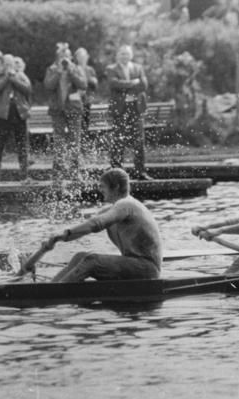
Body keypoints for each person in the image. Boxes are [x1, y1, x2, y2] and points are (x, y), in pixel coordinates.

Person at [41, 168, 162, 282]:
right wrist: (58, 238)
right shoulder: (115, 209)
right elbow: (85, 228)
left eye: (103, 186)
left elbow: (96, 224)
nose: (100, 190)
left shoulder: (127, 205)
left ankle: (54, 293)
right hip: (134, 264)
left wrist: (66, 232)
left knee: (92, 261)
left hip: (147, 269)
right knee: (80, 257)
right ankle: (51, 287)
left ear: (116, 187)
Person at [43, 42, 88, 181]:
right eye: (62, 56)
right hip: (57, 110)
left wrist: (71, 71)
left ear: (71, 57)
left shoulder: (76, 68)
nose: (64, 59)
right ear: (57, 57)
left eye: (67, 56)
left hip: (73, 108)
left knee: (75, 140)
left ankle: (75, 171)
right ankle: (58, 171)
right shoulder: (52, 69)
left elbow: (83, 84)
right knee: (59, 141)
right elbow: (48, 86)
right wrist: (58, 72)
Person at [106, 44, 151, 179]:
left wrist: (126, 85)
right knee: (118, 141)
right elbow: (114, 84)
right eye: (122, 54)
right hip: (120, 110)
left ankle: (140, 172)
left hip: (135, 109)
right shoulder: (111, 69)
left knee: (139, 141)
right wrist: (132, 83)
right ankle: (117, 172)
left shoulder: (138, 68)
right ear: (117, 55)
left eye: (127, 54)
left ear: (131, 55)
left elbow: (144, 85)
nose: (124, 56)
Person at [0, 53, 33, 186]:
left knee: (22, 145)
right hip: (2, 115)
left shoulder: (20, 75)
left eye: (11, 64)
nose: (9, 66)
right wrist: (6, 78)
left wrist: (13, 79)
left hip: (19, 113)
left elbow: (28, 90)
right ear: (2, 65)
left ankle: (24, 176)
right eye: (6, 64)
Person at [75, 47, 99, 137]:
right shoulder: (74, 69)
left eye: (83, 56)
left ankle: (84, 147)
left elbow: (95, 86)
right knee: (76, 126)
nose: (82, 58)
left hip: (87, 102)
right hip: (76, 101)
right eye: (79, 56)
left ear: (87, 57)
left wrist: (90, 80)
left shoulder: (90, 70)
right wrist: (88, 80)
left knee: (85, 125)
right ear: (76, 58)